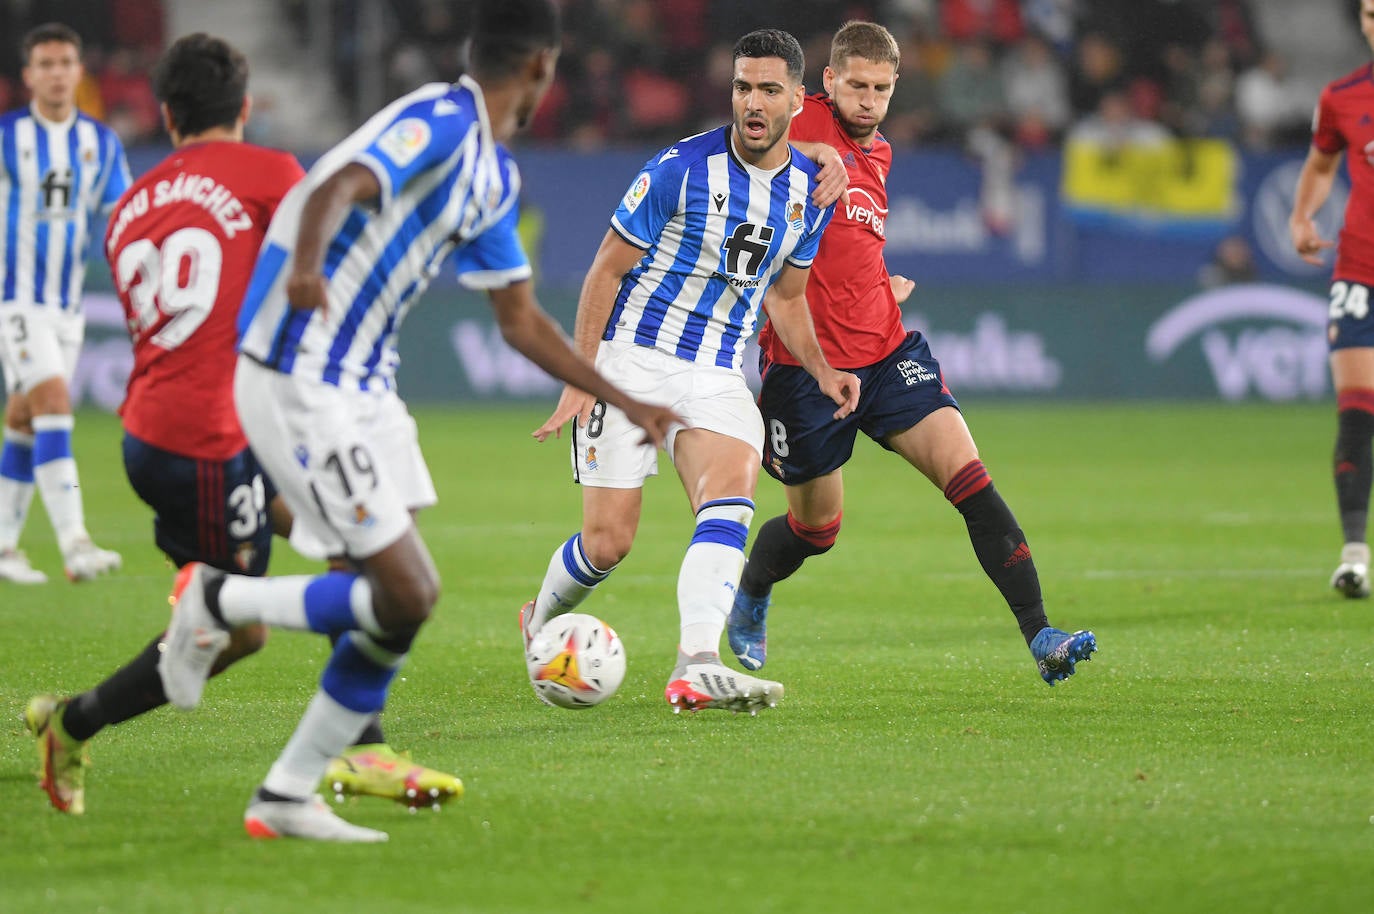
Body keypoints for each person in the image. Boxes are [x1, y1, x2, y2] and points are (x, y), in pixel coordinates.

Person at [155, 0, 680, 843]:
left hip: (363, 387)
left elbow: (520, 320)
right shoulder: (439, 116)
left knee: (394, 598)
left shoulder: (495, 177)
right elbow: (338, 183)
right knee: (405, 591)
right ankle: (219, 599)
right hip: (300, 367)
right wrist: (307, 268)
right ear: (542, 68)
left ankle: (295, 786)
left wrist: (620, 397)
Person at [21, 32, 459, 818]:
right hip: (215, 439)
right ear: (247, 107)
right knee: (239, 631)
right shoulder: (274, 176)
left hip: (153, 432)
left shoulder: (130, 205)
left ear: (166, 112)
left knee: (346, 542)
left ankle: (364, 745)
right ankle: (75, 720)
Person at [726, 21, 1097, 685]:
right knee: (816, 531)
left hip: (889, 353)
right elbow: (750, 144)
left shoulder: (882, 157)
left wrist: (879, 283)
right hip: (805, 370)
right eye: (856, 86)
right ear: (829, 81)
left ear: (894, 89)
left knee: (972, 482)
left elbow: (851, 244)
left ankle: (1042, 633)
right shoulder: (798, 117)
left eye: (881, 89)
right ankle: (753, 590)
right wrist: (811, 146)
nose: (867, 101)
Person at [521, 28, 862, 714]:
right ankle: (540, 621)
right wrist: (581, 377)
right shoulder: (678, 169)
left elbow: (787, 296)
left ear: (799, 98)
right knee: (608, 542)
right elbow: (604, 272)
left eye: (769, 89)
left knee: (730, 496)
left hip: (714, 373)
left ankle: (696, 663)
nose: (754, 103)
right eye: (743, 88)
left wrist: (823, 370)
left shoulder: (809, 190)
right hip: (630, 364)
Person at [0, 23, 129, 584]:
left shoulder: (100, 144)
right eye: (45, 64)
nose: (56, 73)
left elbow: (121, 214)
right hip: (16, 300)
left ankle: (3, 547)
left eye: (65, 62)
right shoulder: (8, 137)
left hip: (68, 307)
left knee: (25, 418)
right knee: (54, 404)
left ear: (80, 71)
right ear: (28, 76)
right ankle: (76, 544)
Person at [1289, 0, 1374, 599]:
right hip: (1359, 270)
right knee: (1356, 411)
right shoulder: (1342, 96)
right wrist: (1301, 216)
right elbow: (1322, 165)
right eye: (1370, 13)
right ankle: (1354, 555)